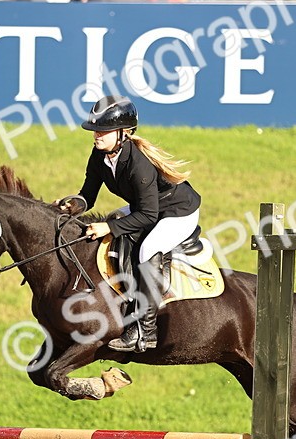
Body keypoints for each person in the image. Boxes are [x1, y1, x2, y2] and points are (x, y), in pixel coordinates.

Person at [56, 96, 202, 353]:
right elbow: (88, 195)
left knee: (148, 249)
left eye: (103, 130)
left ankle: (146, 329)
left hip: (177, 211)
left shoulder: (138, 164)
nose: (96, 135)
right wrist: (73, 205)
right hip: (147, 207)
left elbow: (148, 215)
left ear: (123, 133)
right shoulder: (100, 155)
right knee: (113, 217)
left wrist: (109, 229)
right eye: (95, 130)